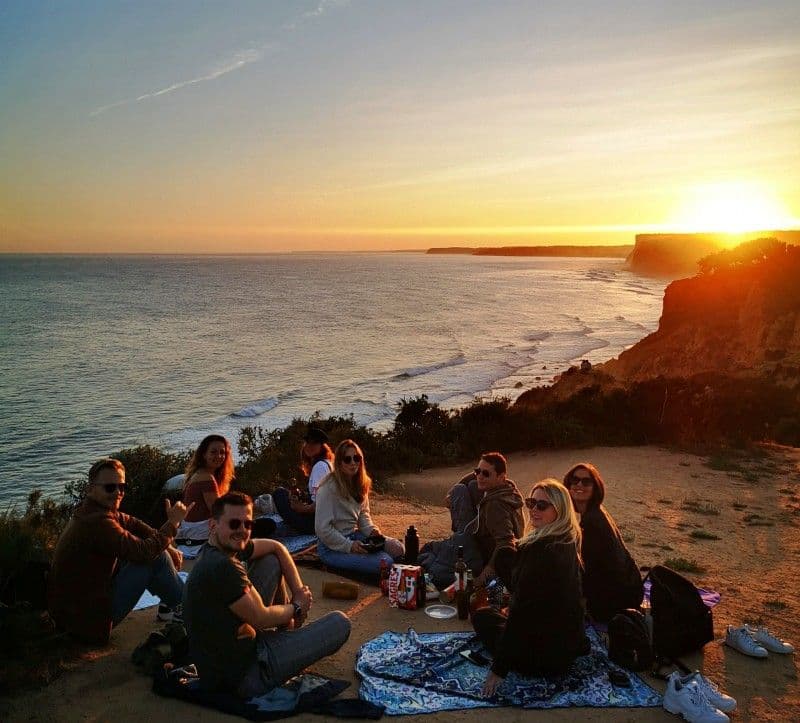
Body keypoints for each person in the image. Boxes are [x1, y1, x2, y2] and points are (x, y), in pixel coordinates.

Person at [183, 492, 351, 696]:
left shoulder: (217, 548)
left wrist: (298, 591)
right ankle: (286, 638)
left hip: (229, 656)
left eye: (248, 524)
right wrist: (296, 607)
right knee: (340, 623)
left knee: (270, 559)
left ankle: (286, 632)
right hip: (245, 674)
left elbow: (276, 547)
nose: (242, 531)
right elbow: (260, 618)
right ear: (213, 525)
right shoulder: (222, 566)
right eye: (234, 524)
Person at [48, 458, 192, 645]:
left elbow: (131, 523)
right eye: (110, 487)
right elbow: (144, 552)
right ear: (91, 489)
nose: (117, 493)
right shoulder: (97, 522)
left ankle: (181, 607)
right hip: (86, 624)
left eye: (122, 487)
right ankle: (189, 611)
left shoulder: (93, 510)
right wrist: (172, 524)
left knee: (157, 552)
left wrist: (168, 545)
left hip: (76, 614)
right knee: (155, 558)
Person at [472, 479, 589, 697]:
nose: (534, 510)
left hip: (539, 659)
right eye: (531, 503)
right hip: (565, 649)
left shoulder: (541, 553)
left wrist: (499, 669)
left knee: (483, 617)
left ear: (560, 510)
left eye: (542, 505)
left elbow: (521, 615)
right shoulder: (567, 542)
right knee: (505, 556)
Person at [564, 462, 643, 622]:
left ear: (595, 488)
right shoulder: (596, 512)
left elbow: (589, 572)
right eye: (575, 480)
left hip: (616, 602)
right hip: (628, 590)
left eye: (586, 482)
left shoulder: (591, 523)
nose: (579, 484)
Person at [314, 439, 404, 576]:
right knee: (385, 562)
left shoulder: (360, 484)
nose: (353, 463)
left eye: (356, 458)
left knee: (398, 549)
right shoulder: (328, 489)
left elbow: (364, 517)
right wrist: (349, 546)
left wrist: (373, 532)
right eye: (347, 459)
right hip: (331, 546)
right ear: (339, 462)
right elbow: (322, 529)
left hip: (353, 536)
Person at [466, 452, 525, 587]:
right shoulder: (510, 488)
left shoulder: (495, 505)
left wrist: (483, 577)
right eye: (477, 471)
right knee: (465, 487)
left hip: (483, 556)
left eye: (486, 474)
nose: (480, 476)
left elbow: (505, 542)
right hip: (495, 549)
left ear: (501, 477)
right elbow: (474, 477)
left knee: (429, 556)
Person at [272, 427, 333, 535]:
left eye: (314, 443)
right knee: (287, 494)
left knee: (279, 494)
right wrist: (302, 497)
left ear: (322, 446)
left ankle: (295, 528)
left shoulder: (319, 467)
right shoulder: (327, 463)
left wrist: (301, 509)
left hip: (315, 524)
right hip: (325, 520)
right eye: (308, 442)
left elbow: (320, 505)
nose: (310, 446)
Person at [178, 434, 235, 541]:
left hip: (193, 528)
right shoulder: (206, 477)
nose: (219, 456)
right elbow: (217, 511)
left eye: (222, 452)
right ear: (204, 454)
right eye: (213, 452)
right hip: (199, 530)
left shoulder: (201, 473)